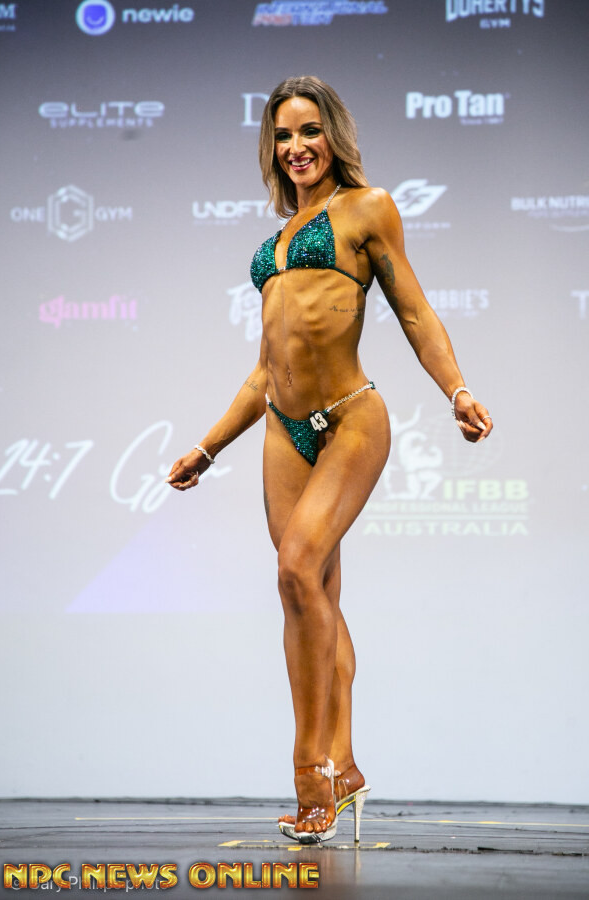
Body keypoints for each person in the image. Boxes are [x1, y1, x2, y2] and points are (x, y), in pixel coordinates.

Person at [166, 76, 492, 844]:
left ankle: (311, 772)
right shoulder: (279, 240)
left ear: (332, 135)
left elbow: (415, 311)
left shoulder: (368, 209)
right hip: (284, 429)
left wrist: (456, 389)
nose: (296, 147)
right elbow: (264, 370)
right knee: (308, 595)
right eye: (283, 136)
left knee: (296, 567)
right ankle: (343, 768)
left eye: (309, 131)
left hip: (350, 419)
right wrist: (208, 447)